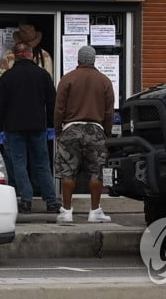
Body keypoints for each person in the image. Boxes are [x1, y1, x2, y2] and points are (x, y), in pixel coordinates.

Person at [0, 41, 61, 213]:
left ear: (15, 56)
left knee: (19, 164)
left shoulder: (7, 77)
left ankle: (26, 201)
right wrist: (52, 125)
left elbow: (1, 106)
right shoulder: (42, 75)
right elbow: (52, 103)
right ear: (30, 54)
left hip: (14, 127)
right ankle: (50, 201)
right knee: (42, 163)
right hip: (37, 126)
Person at [53, 45, 115, 224]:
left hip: (71, 129)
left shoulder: (67, 79)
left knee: (68, 172)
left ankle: (66, 211)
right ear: (93, 59)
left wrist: (58, 129)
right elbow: (109, 111)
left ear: (79, 59)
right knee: (96, 172)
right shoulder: (104, 81)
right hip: (96, 130)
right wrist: (107, 132)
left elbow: (59, 109)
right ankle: (95, 211)